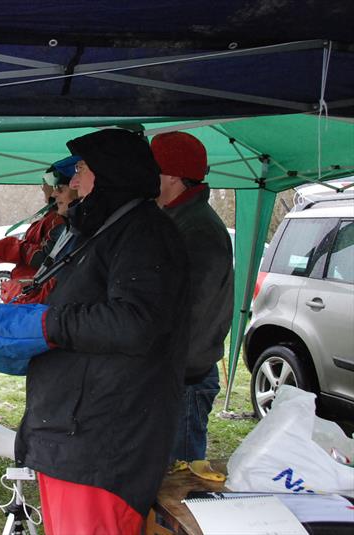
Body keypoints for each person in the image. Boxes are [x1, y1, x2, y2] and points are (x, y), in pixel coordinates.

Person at [15, 129, 190, 534]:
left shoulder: (144, 231)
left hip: (101, 442)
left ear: (110, 171)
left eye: (81, 169)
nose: (73, 182)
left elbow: (134, 321)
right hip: (71, 434)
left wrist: (47, 323)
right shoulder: (108, 227)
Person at [151, 131, 234, 463]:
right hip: (174, 372)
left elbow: (196, 312)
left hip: (185, 377)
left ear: (171, 175)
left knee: (180, 482)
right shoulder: (177, 219)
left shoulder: (197, 229)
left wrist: (169, 366)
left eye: (150, 170)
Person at [0, 156, 79, 303]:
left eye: (57, 186)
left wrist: (15, 248)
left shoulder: (58, 220)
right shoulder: (52, 217)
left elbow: (49, 260)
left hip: (47, 303)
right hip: (36, 296)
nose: (51, 191)